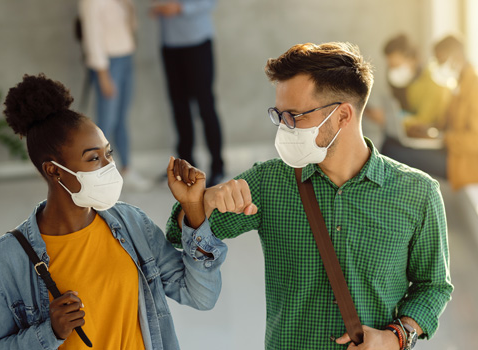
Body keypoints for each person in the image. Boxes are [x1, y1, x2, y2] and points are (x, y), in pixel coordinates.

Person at [166, 42, 453, 349]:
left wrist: (395, 337)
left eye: (295, 116)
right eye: (279, 116)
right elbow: (177, 231)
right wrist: (202, 202)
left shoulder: (417, 193)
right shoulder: (268, 181)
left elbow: (433, 286)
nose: (284, 128)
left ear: (342, 116)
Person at [0, 74, 227, 350]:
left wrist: (193, 207)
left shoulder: (131, 224)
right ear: (54, 171)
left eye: (108, 154)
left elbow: (202, 296)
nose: (108, 166)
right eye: (93, 158)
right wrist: (49, 332)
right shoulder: (4, 261)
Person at [150, 0, 225, 186]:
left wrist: (181, 8)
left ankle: (218, 166)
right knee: (179, 107)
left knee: (205, 106)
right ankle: (185, 166)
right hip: (169, 45)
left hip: (197, 42)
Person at [79, 0, 150, 190]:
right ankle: (94, 175)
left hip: (126, 56)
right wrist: (103, 74)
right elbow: (91, 35)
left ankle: (126, 168)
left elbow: (132, 25)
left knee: (120, 119)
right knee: (105, 122)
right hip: (108, 63)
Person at [379, 34, 451, 179]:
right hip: (424, 139)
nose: (393, 70)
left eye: (396, 66)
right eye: (390, 66)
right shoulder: (411, 83)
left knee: (390, 152)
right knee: (389, 143)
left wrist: (392, 119)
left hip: (441, 148)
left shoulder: (433, 82)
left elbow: (423, 121)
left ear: (412, 59)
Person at [434, 34, 478, 190]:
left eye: (441, 60)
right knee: (394, 145)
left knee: (396, 153)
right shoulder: (458, 83)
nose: (438, 66)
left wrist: (444, 138)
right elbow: (448, 124)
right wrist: (432, 130)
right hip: (451, 153)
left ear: (456, 56)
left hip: (466, 163)